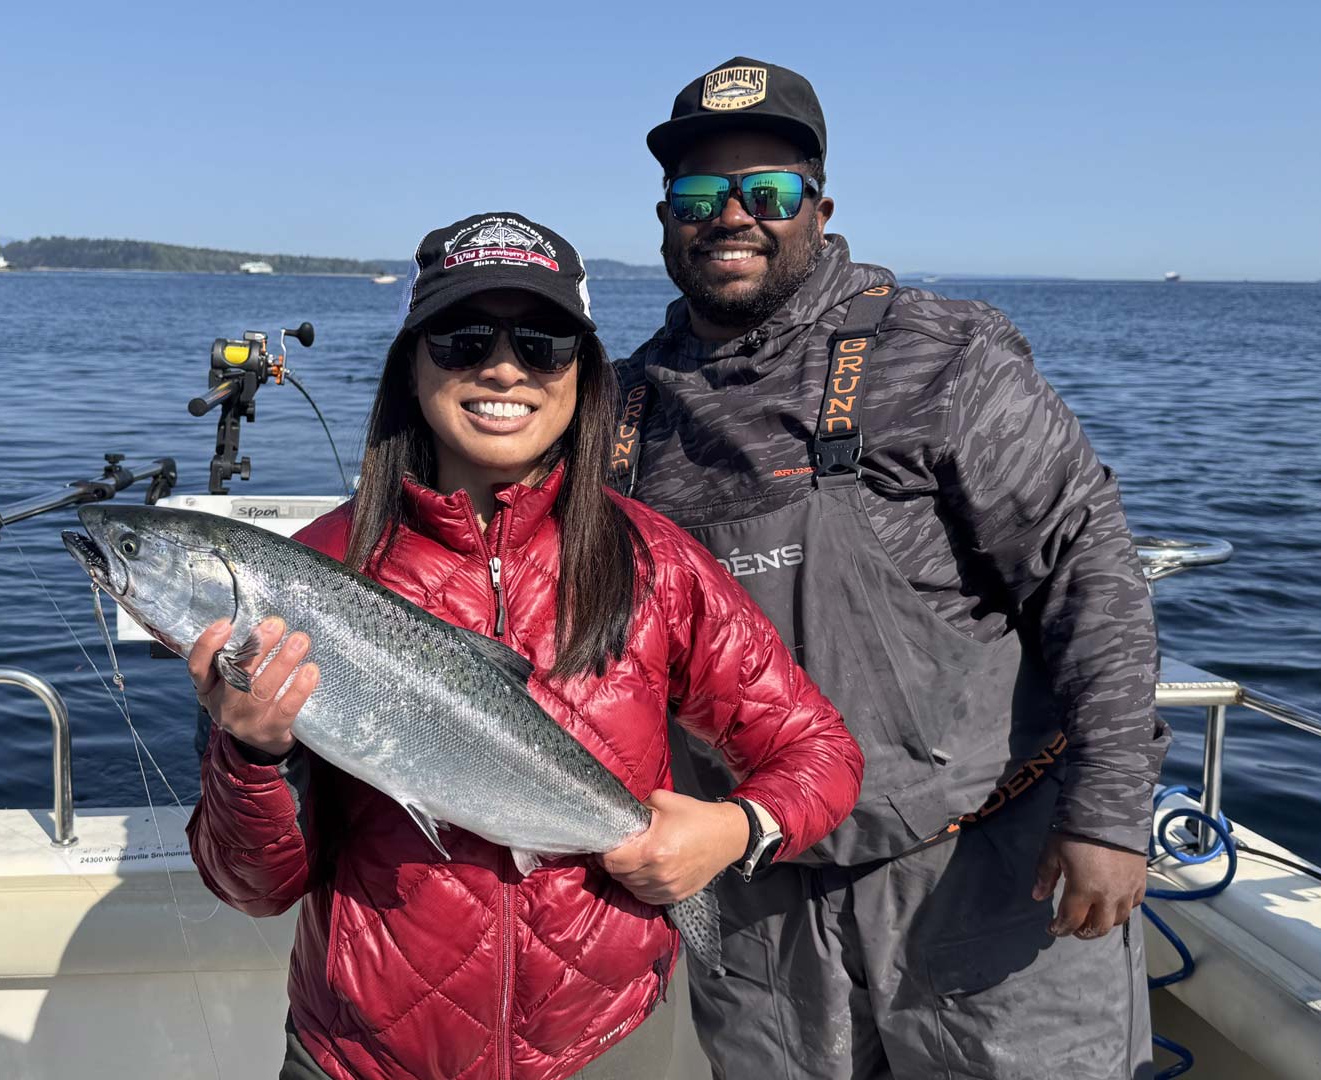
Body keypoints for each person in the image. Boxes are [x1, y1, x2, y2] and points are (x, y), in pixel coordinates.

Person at [184, 211, 865, 1080]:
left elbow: (820, 750)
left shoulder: (653, 561)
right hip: (361, 1055)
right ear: (411, 366)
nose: (503, 367)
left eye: (543, 342)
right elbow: (254, 889)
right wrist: (251, 753)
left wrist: (735, 829)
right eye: (463, 337)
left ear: (583, 375)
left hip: (600, 1046)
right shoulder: (314, 568)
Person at [612, 58, 1165, 1079]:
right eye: (698, 197)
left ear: (819, 209)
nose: (731, 217)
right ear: (663, 221)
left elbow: (1090, 576)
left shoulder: (942, 353)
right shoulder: (616, 410)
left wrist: (1109, 811)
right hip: (753, 899)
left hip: (984, 875)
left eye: (766, 193)